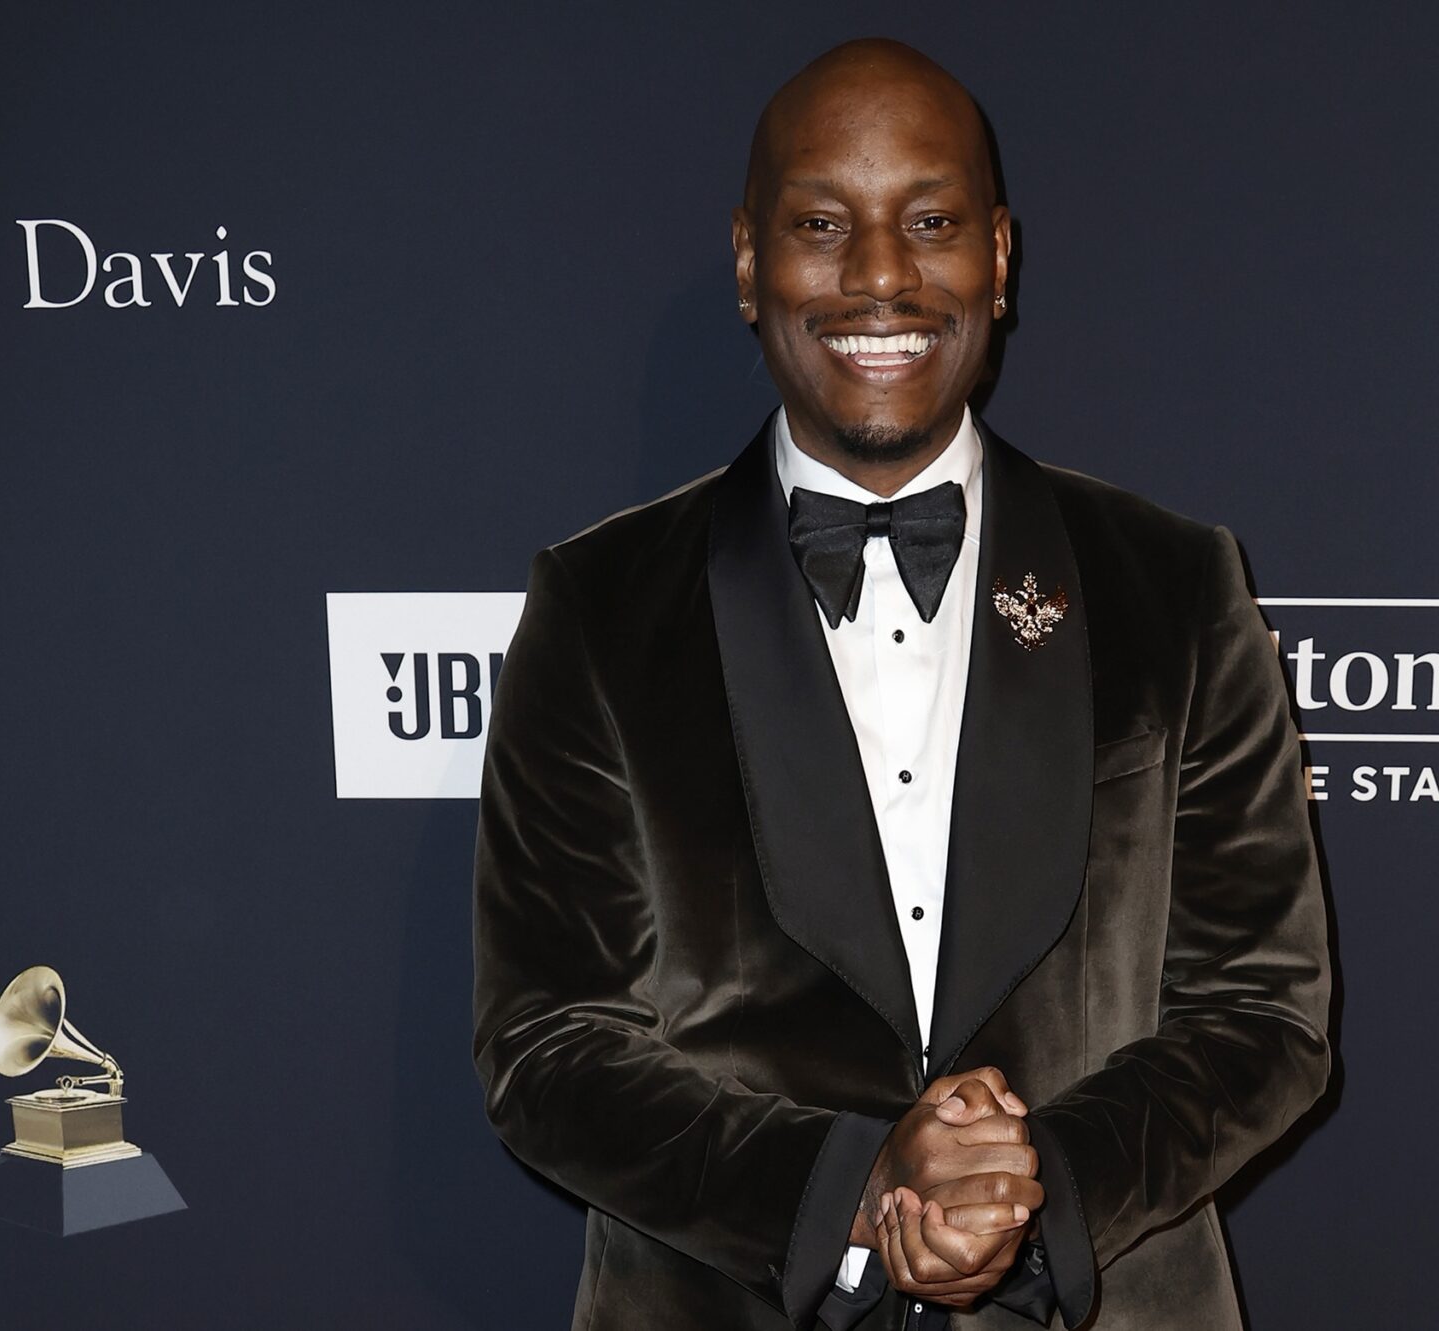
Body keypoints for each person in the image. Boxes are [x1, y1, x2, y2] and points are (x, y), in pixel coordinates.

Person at [472, 37, 1332, 1331]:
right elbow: (548, 1047)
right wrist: (858, 1189)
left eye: (929, 221)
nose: (881, 274)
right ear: (750, 262)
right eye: (823, 224)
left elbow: (1264, 1013)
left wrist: (1034, 1195)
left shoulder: (1174, 587)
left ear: (999, 255)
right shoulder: (600, 610)